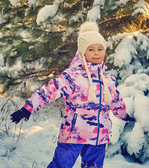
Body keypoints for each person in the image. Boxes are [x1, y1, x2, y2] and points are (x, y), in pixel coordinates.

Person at [10, 21, 134, 168]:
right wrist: (28, 108)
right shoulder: (72, 76)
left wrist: (123, 114)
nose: (96, 53)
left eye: (100, 49)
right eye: (91, 49)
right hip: (74, 135)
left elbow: (114, 100)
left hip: (98, 137)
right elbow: (49, 91)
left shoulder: (108, 79)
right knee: (61, 166)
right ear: (82, 52)